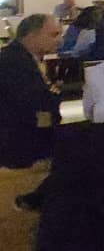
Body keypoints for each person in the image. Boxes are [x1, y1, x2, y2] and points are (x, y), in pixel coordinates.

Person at [0, 14, 63, 211]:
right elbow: (33, 106)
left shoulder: (18, 56)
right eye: (54, 34)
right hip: (17, 138)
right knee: (81, 144)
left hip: (21, 129)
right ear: (33, 35)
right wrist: (54, 99)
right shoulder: (15, 62)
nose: (59, 39)